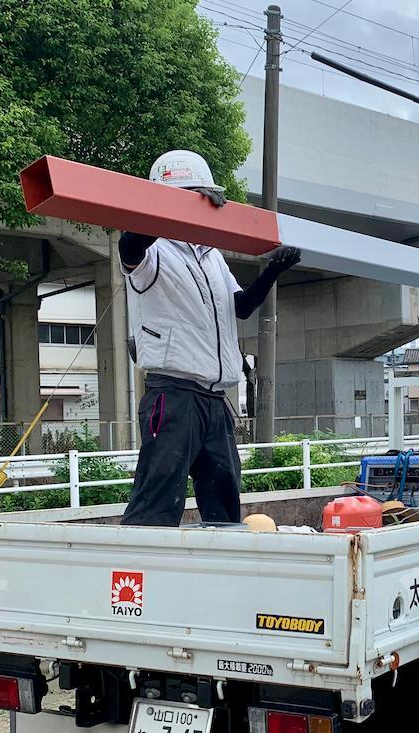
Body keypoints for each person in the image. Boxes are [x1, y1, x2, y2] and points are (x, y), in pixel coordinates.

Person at [119, 149, 301, 527]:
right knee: (158, 499)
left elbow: (242, 305)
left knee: (223, 497)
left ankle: (220, 577)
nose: (207, 205)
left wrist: (272, 271)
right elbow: (130, 247)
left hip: (215, 401)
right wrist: (176, 210)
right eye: (198, 197)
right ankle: (138, 575)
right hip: (173, 396)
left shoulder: (210, 254)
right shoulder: (154, 250)